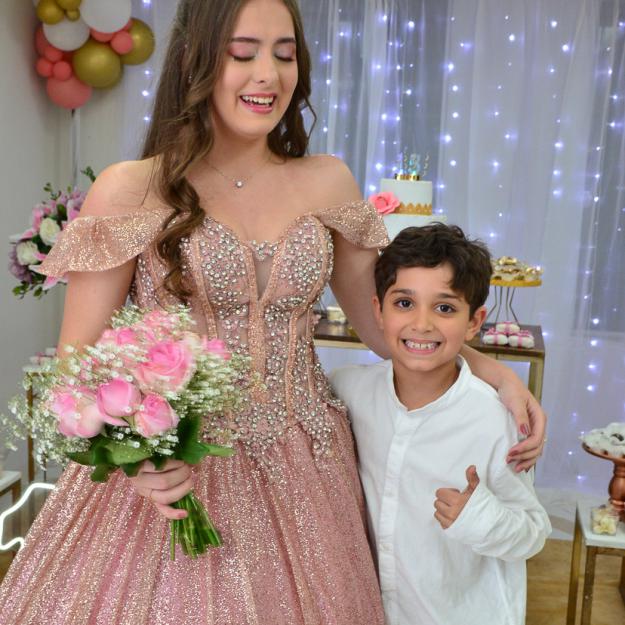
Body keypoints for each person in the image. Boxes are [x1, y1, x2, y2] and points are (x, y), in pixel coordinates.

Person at [0, 1, 546, 623]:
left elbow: (383, 325)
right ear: (195, 60)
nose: (269, 74)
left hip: (307, 464)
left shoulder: (327, 181)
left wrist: (494, 373)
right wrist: (137, 460)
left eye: (285, 55)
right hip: (175, 472)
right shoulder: (130, 188)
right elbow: (78, 367)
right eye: (243, 53)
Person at [330, 224, 551, 625]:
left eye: (445, 308)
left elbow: (533, 533)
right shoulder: (348, 392)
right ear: (378, 310)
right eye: (404, 303)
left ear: (474, 322)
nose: (422, 324)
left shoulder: (494, 422)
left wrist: (478, 517)